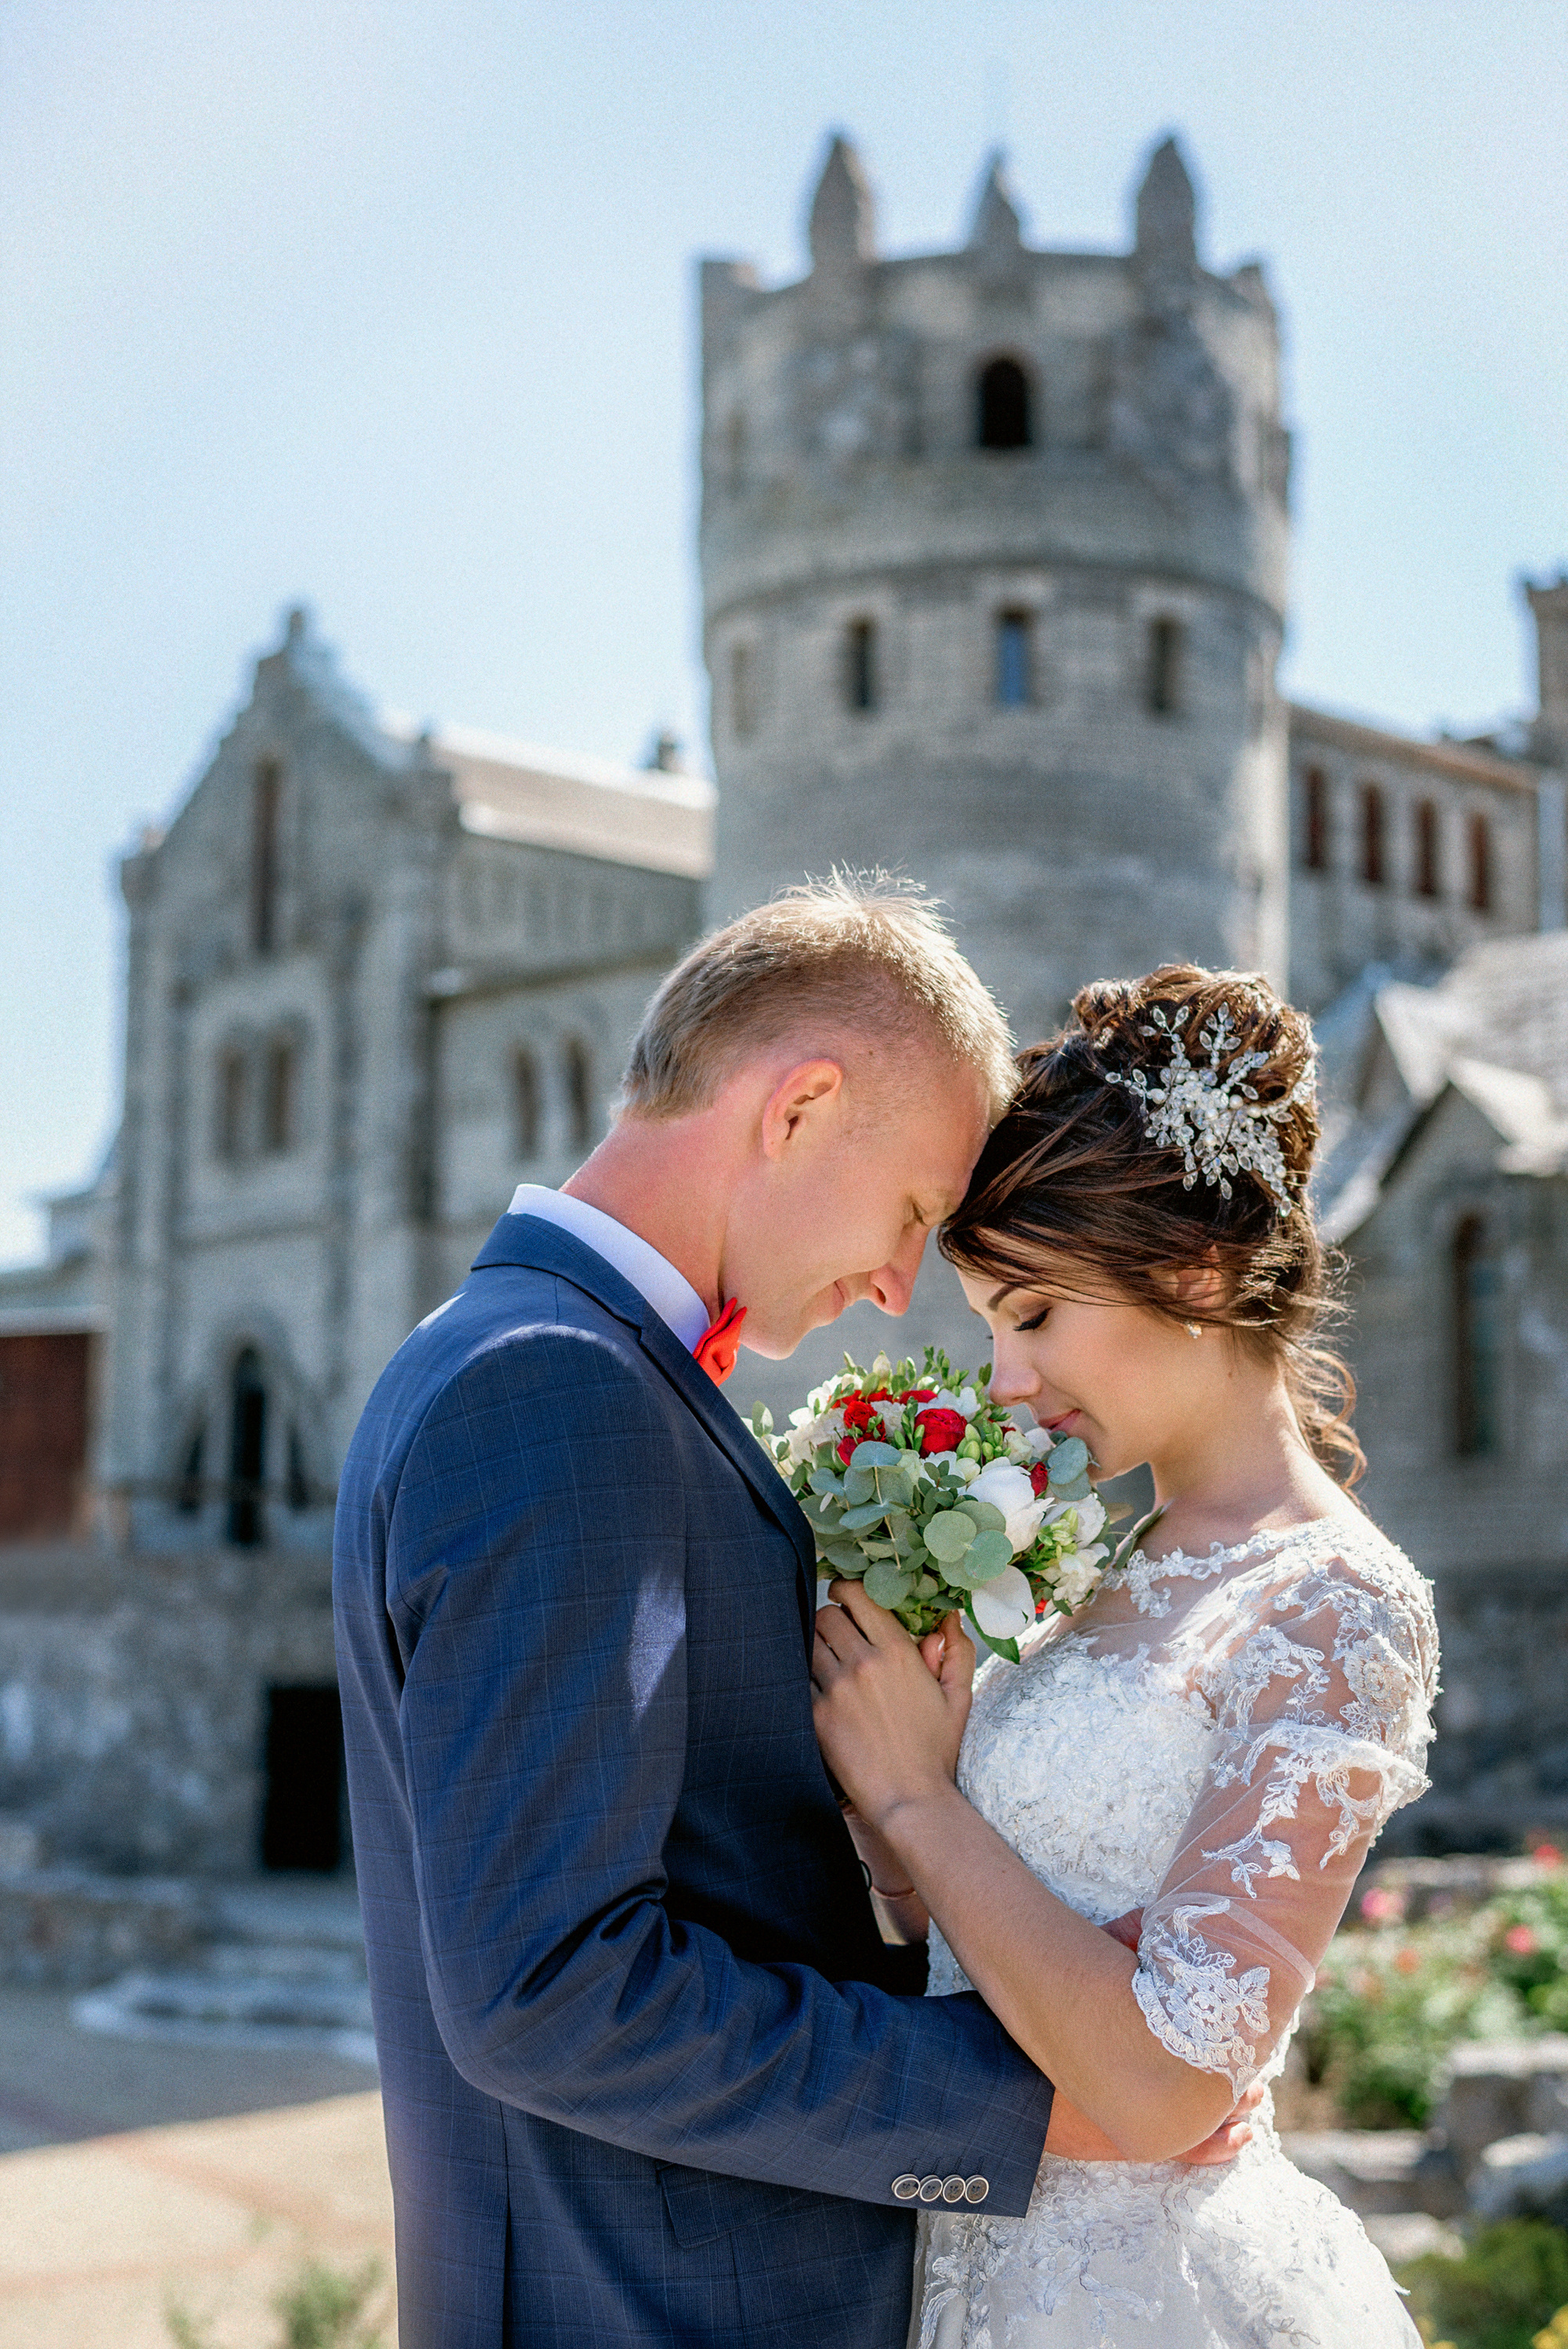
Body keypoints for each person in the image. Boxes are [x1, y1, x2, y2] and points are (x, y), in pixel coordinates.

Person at [335, 886, 1256, 2349]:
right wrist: (1020, 2101)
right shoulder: (557, 1391)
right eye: (910, 1214)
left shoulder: (537, 1362)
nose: (898, 1283)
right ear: (800, 1106)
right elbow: (547, 1989)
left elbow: (694, 1887)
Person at [813, 964, 1439, 2349]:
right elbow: (975, 1956)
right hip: (964, 2257)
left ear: (1194, 1270)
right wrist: (889, 1830)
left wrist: (922, 1799)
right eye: (991, 1326)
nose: (1008, 1379)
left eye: (1033, 1315)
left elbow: (1166, 2090)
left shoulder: (1335, 1606)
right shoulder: (1086, 1561)